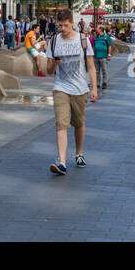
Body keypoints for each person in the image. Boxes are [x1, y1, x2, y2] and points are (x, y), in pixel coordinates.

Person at [43, 10, 97, 175]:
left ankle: (79, 153)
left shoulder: (83, 39)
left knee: (78, 123)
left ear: (72, 23)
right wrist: (55, 64)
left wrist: (94, 87)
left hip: (80, 88)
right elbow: (49, 70)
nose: (63, 29)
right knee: (61, 123)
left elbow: (91, 66)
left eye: (65, 25)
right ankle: (61, 162)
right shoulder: (54, 41)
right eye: (60, 26)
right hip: (61, 87)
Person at [92, 26, 113, 91]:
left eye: (97, 28)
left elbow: (109, 46)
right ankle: (97, 83)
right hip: (96, 56)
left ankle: (104, 82)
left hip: (103, 56)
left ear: (100, 30)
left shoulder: (106, 37)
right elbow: (93, 45)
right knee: (96, 71)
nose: (96, 29)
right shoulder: (96, 37)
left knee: (104, 70)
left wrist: (109, 55)